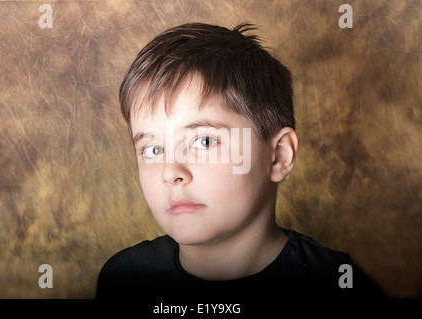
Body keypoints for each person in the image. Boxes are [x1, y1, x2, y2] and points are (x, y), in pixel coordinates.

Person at [96, 23, 382, 303]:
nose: (171, 172)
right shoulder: (123, 279)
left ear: (279, 156)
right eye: (153, 149)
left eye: (204, 141)